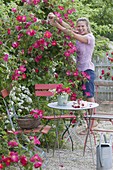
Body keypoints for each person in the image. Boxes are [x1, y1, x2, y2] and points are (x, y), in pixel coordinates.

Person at [47, 13, 97, 133]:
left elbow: (71, 33)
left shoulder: (89, 37)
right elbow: (69, 28)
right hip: (79, 72)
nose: (80, 28)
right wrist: (57, 18)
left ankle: (92, 124)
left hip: (87, 71)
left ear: (87, 27)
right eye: (78, 26)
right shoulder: (79, 33)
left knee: (89, 97)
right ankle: (88, 123)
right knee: (82, 97)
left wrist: (56, 25)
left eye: (82, 26)